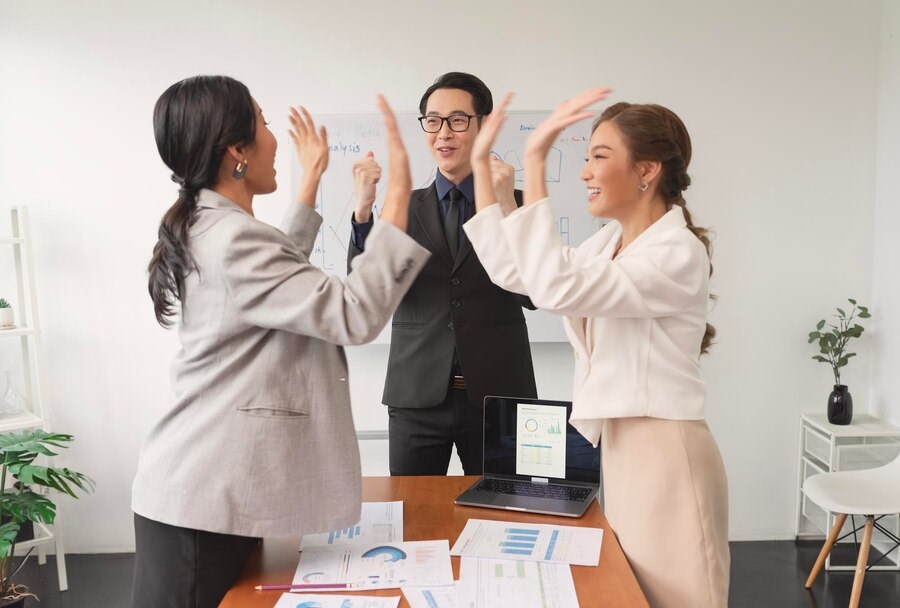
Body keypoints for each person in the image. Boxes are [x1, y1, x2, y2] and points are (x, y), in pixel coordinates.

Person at [131, 75, 429, 608]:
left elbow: (274, 281)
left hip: (204, 491)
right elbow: (353, 314)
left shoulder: (209, 224)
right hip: (203, 500)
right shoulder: (232, 237)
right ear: (236, 151)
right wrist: (399, 200)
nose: (273, 138)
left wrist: (310, 180)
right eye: (264, 124)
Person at [464, 89, 730, 608]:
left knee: (681, 598)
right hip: (624, 450)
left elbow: (558, 287)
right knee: (636, 595)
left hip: (667, 452)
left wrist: (536, 164)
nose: (585, 172)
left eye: (599, 157)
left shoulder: (676, 251)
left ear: (646, 170)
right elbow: (520, 274)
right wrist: (485, 180)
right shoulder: (608, 244)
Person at [347, 72, 537, 476]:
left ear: (484, 126)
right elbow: (366, 293)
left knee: (502, 509)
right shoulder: (401, 206)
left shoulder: (519, 203)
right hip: (415, 395)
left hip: (499, 396)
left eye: (457, 120)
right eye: (432, 121)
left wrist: (509, 210)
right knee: (411, 511)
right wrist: (363, 212)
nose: (443, 133)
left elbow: (534, 294)